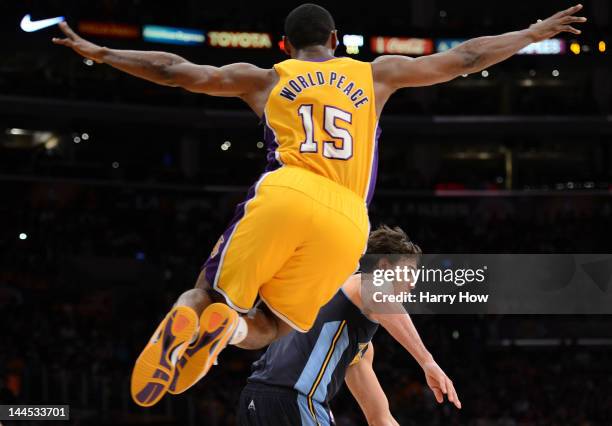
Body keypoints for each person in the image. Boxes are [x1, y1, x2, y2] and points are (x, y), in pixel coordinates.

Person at [52, 3, 587, 407]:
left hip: (288, 190)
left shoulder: (264, 79)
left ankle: (203, 315)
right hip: (350, 220)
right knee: (277, 325)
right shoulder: (375, 74)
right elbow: (466, 57)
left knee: (208, 288)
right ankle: (228, 333)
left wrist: (102, 52)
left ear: (285, 45)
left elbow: (177, 70)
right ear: (336, 41)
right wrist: (532, 33)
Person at [237, 225, 460, 425]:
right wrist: (427, 361)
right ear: (383, 266)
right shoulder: (360, 282)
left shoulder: (351, 341)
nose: (412, 285)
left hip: (254, 399)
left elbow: (379, 417)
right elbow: (379, 296)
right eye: (408, 273)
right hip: (294, 400)